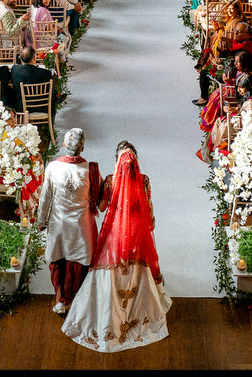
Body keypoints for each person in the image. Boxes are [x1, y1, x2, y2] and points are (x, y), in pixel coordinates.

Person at [62, 141, 171, 352]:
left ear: (116, 160)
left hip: (115, 235)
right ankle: (141, 314)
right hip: (137, 234)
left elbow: (102, 208)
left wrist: (96, 189)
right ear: (136, 160)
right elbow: (149, 216)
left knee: (110, 269)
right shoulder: (144, 180)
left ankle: (109, 316)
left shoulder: (111, 181)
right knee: (139, 271)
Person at [38, 128, 102, 317]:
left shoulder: (52, 167)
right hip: (81, 226)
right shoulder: (90, 170)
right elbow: (98, 198)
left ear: (65, 145)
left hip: (58, 224)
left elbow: (45, 198)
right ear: (82, 147)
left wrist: (41, 221)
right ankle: (75, 300)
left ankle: (60, 300)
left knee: (58, 261)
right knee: (77, 265)